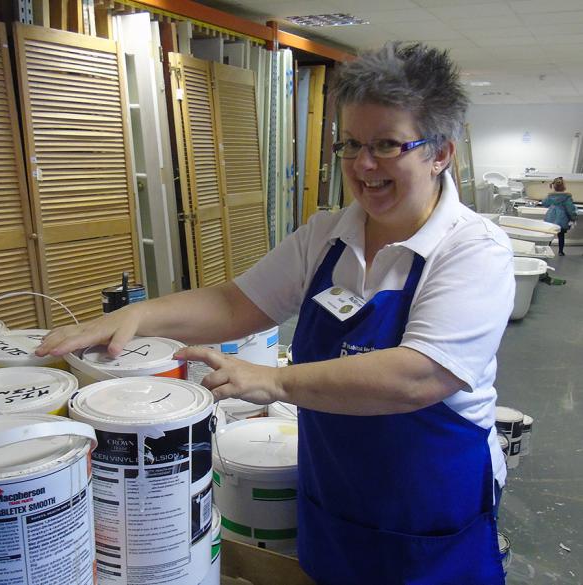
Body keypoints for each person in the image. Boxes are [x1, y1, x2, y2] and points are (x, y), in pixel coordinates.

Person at [38, 43, 515, 584]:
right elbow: (236, 303)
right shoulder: (326, 237)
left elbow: (418, 375)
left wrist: (274, 381)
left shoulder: (472, 251)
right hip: (334, 490)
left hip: (429, 505)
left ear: (441, 153)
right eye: (353, 143)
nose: (362, 165)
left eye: (387, 145)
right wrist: (139, 316)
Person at [541, 177, 577, 255]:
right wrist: (573, 218)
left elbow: (544, 203)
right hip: (562, 218)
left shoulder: (550, 196)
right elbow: (570, 209)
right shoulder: (567, 197)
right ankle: (560, 251)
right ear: (564, 186)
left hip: (551, 217)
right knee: (561, 235)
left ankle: (546, 250)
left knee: (550, 234)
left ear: (554, 186)